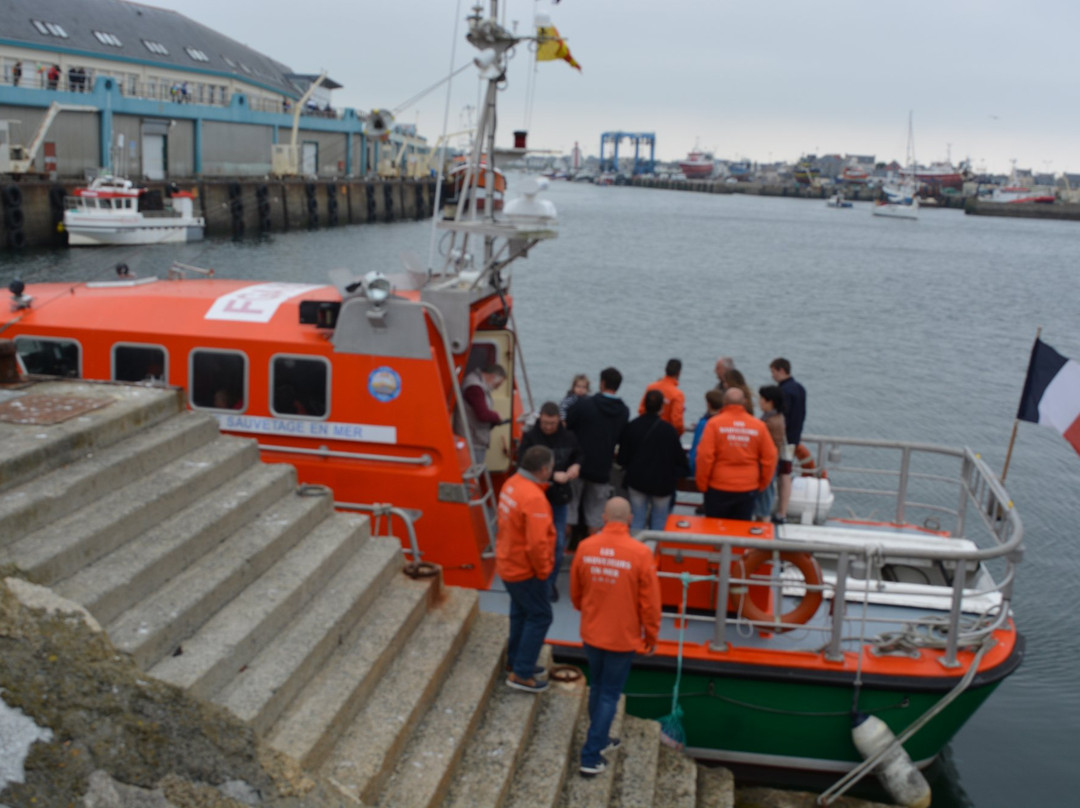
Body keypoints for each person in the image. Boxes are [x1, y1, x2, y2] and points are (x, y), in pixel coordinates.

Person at [571, 497, 661, 777]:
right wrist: (651, 635)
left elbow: (576, 593)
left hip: (592, 632)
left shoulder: (585, 547)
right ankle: (591, 754)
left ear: (603, 517)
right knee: (610, 693)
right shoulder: (641, 554)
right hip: (622, 637)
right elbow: (650, 603)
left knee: (598, 687)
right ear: (631, 519)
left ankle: (600, 737)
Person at [497, 445, 557, 693]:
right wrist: (544, 571)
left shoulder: (511, 484)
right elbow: (537, 543)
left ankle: (517, 660)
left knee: (521, 613)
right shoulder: (534, 498)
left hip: (508, 561)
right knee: (541, 616)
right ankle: (521, 673)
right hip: (524, 569)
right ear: (543, 470)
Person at [519, 401, 583, 601]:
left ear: (558, 421)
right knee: (532, 541)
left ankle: (549, 583)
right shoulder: (530, 438)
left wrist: (576, 466)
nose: (548, 427)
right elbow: (521, 464)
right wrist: (551, 475)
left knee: (558, 543)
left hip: (558, 498)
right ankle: (531, 580)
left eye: (552, 423)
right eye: (545, 423)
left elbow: (579, 454)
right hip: (534, 498)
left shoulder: (569, 437)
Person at [694, 388, 777, 521]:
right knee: (740, 532)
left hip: (718, 486)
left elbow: (704, 457)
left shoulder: (714, 424)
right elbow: (770, 458)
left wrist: (703, 484)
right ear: (744, 402)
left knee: (715, 529)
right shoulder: (759, 426)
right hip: (748, 487)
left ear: (724, 402)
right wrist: (762, 483)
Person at [566, 367, 629, 534]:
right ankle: (591, 555)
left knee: (569, 513)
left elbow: (568, 427)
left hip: (577, 466)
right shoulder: (623, 411)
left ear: (602, 383)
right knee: (594, 518)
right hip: (602, 468)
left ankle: (562, 550)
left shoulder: (584, 405)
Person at [620, 389, 688, 532]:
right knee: (659, 521)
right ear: (662, 408)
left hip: (637, 480)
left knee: (637, 519)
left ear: (644, 405)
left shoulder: (632, 426)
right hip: (662, 484)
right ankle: (654, 551)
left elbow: (622, 458)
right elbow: (680, 460)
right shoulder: (669, 430)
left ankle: (636, 551)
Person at [753, 385, 788, 521]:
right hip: (771, 461)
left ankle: (761, 521)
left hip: (767, 463)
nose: (759, 401)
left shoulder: (770, 422)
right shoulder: (775, 417)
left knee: (764, 494)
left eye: (762, 398)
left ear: (770, 401)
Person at [461, 363, 507, 464]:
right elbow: (482, 414)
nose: (497, 388)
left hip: (474, 437)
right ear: (492, 377)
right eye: (497, 384)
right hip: (472, 440)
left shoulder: (474, 383)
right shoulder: (475, 388)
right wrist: (497, 417)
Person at [638, 358, 686, 436]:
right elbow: (677, 422)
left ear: (665, 370)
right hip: (665, 435)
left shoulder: (651, 387)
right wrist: (679, 433)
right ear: (679, 373)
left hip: (646, 432)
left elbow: (641, 410)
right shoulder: (678, 394)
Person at [770, 357, 807, 447]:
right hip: (795, 435)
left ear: (781, 371)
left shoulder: (783, 391)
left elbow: (783, 414)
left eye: (773, 372)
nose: (772, 375)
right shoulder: (800, 388)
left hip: (784, 437)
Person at [688, 389, 724, 472]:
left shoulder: (704, 423)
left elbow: (696, 448)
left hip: (701, 468)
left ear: (708, 404)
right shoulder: (724, 423)